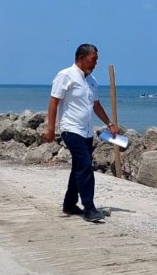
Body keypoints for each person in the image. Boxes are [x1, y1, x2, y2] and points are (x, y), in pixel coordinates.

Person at [42, 43, 119, 223]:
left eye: (97, 60)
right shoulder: (65, 75)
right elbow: (54, 102)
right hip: (71, 129)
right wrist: (51, 129)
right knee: (85, 166)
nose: (95, 64)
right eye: (93, 60)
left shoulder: (92, 81)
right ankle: (89, 208)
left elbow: (96, 105)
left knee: (78, 167)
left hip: (86, 132)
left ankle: (69, 204)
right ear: (81, 58)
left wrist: (109, 123)